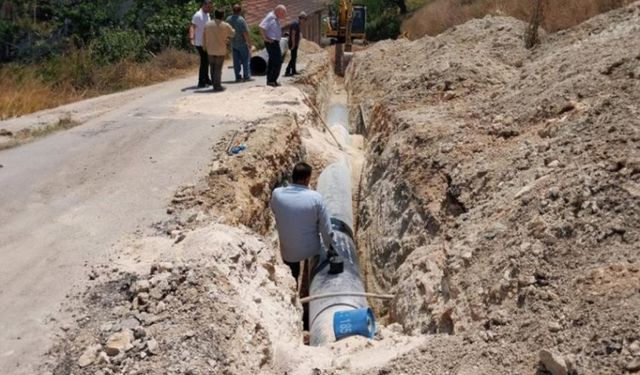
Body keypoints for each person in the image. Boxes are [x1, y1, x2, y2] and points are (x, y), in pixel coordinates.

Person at [271, 162, 334, 284]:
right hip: (312, 250)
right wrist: (331, 247)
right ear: (307, 179)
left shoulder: (277, 194)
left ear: (292, 177)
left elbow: (274, 210)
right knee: (320, 247)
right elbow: (326, 229)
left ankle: (293, 287)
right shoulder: (316, 198)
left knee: (292, 272)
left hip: (288, 251)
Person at [202, 9, 235, 92]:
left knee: (212, 67)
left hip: (210, 49)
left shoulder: (208, 24)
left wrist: (204, 46)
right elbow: (233, 33)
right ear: (222, 16)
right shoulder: (225, 25)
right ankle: (217, 85)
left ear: (214, 15)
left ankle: (214, 83)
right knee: (218, 68)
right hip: (220, 49)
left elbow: (204, 36)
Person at [259, 4, 287, 87]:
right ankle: (272, 80)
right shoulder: (270, 17)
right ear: (278, 11)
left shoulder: (274, 17)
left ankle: (271, 80)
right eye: (283, 13)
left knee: (272, 61)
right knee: (277, 61)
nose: (284, 16)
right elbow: (261, 27)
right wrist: (265, 38)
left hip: (274, 42)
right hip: (271, 43)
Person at [226, 4, 253, 83]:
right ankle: (246, 76)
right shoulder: (241, 20)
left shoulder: (228, 19)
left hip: (233, 43)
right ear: (240, 11)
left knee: (236, 61)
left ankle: (237, 77)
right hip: (242, 43)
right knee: (245, 59)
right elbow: (245, 33)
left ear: (232, 10)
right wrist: (249, 43)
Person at [189, 0, 213, 88]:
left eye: (210, 7)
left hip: (207, 42)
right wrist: (191, 38)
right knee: (204, 62)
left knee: (206, 61)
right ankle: (201, 82)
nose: (210, 8)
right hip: (200, 42)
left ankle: (206, 79)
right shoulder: (198, 15)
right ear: (203, 5)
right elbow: (192, 26)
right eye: (208, 7)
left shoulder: (207, 14)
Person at [285, 11, 307, 77]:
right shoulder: (295, 24)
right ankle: (287, 71)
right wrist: (294, 44)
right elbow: (293, 34)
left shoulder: (297, 24)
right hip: (293, 43)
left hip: (295, 43)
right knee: (293, 57)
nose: (305, 21)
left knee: (294, 57)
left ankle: (293, 71)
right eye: (305, 19)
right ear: (302, 18)